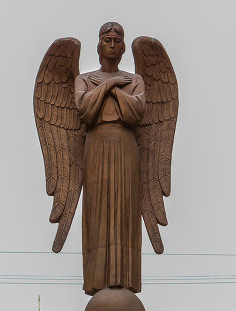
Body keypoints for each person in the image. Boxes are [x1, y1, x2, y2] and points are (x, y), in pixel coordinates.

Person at [75, 22, 146, 295]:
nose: (113, 44)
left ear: (124, 46)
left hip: (126, 148)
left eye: (117, 39)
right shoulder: (83, 79)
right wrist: (113, 85)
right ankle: (96, 281)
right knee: (97, 214)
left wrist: (111, 86)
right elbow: (85, 110)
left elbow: (135, 113)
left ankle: (125, 280)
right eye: (108, 39)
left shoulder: (135, 80)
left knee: (125, 212)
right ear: (99, 45)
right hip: (95, 147)